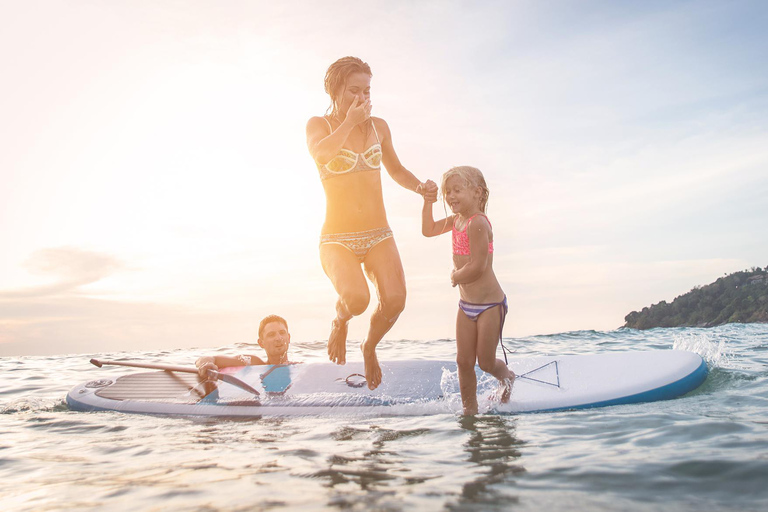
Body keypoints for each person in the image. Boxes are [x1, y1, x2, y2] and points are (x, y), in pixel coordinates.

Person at [306, 56, 438, 390]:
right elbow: (321, 154)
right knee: (357, 299)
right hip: (336, 237)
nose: (362, 98)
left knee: (395, 300)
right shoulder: (317, 126)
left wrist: (419, 187)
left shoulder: (380, 126)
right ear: (335, 91)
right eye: (353, 91)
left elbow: (395, 169)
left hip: (378, 233)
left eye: (366, 90)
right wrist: (349, 123)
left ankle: (369, 346)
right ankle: (340, 321)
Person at [421, 166, 515, 415]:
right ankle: (469, 410)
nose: (450, 196)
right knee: (463, 361)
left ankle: (507, 377)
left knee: (484, 362)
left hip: (490, 305)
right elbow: (428, 230)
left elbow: (478, 266)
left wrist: (455, 276)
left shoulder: (478, 223)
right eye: (447, 192)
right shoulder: (456, 221)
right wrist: (428, 202)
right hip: (466, 305)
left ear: (477, 192)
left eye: (457, 190)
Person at [195, 314, 294, 377]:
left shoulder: (298, 367)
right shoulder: (253, 362)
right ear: (261, 343)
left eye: (282, 333)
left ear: (288, 338)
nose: (278, 338)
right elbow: (208, 358)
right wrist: (205, 364)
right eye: (271, 335)